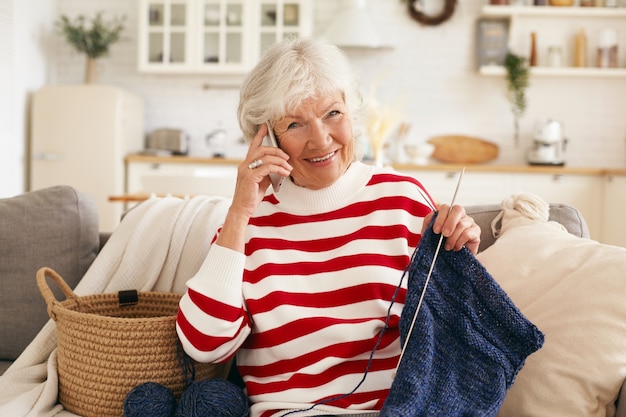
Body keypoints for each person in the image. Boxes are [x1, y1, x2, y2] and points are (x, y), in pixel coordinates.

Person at [176, 36, 481, 417]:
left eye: (333, 113)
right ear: (266, 138)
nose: (321, 139)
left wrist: (462, 261)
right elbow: (204, 345)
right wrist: (239, 212)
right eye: (295, 124)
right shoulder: (247, 226)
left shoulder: (404, 200)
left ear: (351, 112)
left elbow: (454, 334)